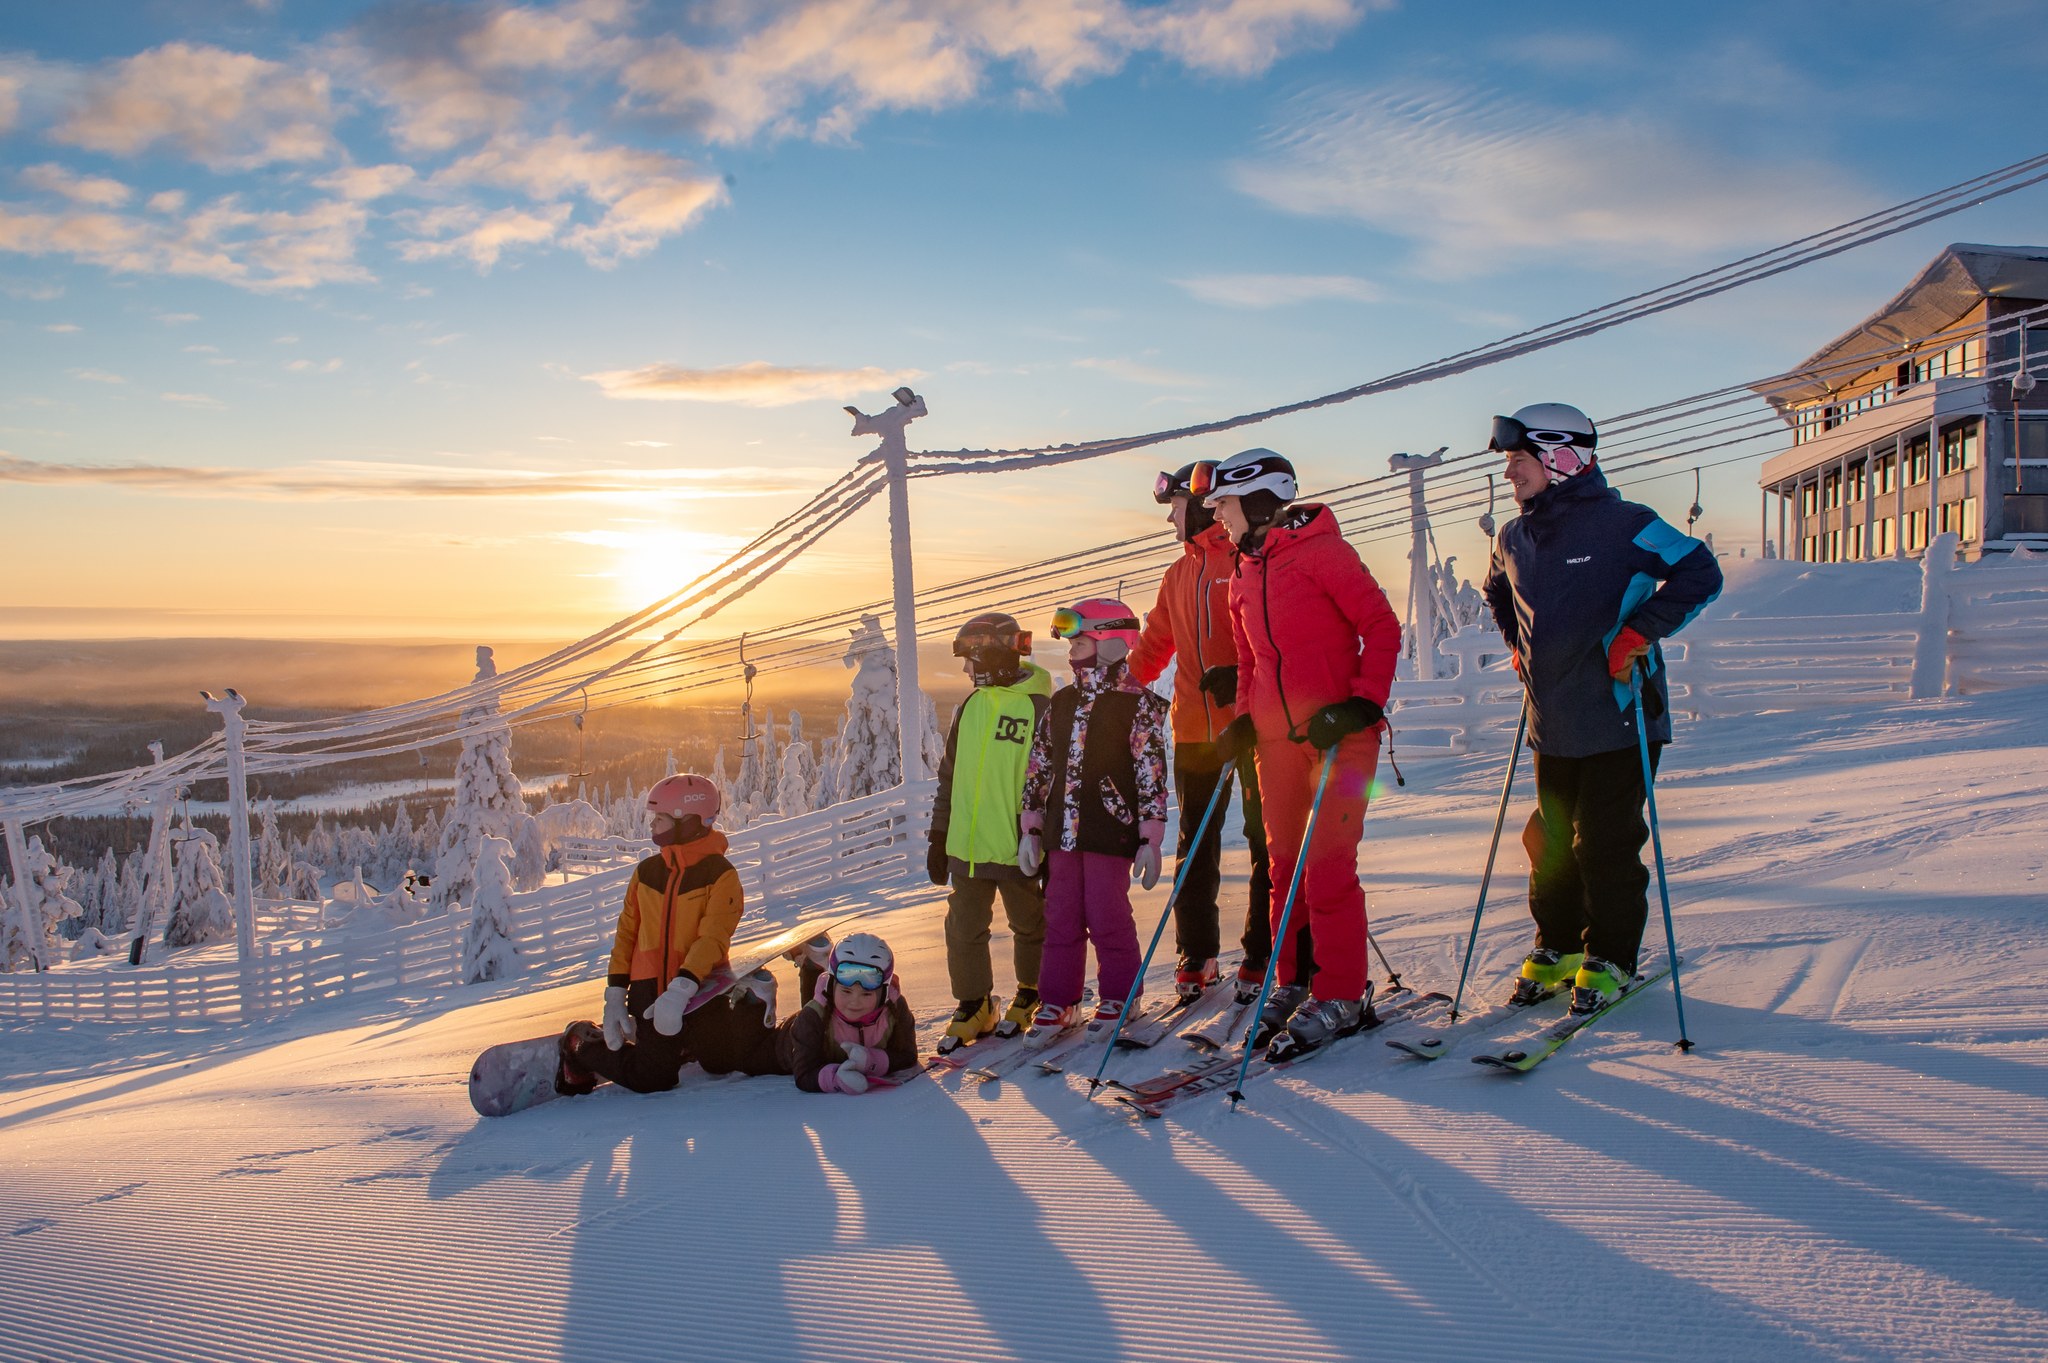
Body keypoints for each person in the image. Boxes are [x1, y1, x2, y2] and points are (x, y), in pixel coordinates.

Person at [1481, 402, 1723, 1014]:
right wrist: (1520, 649)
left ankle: (1611, 955)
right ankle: (1560, 946)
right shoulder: (1513, 536)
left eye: (1519, 459)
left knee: (1605, 842)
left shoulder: (1626, 523)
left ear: (1562, 457)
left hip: (1622, 712)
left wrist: (1637, 634)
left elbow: (1700, 572)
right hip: (1553, 719)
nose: (1509, 473)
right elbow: (1497, 591)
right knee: (1549, 839)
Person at [1203, 448, 1402, 1061]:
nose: (1218, 516)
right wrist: (1244, 717)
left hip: (1340, 735)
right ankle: (1292, 980)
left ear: (1258, 500)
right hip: (1276, 744)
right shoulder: (1244, 570)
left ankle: (1341, 993)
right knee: (1284, 868)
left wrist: (1361, 702)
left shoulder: (1323, 553)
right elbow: (1251, 659)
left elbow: (1382, 626)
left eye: (1224, 504)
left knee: (1329, 867)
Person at [1128, 461, 1274, 1004]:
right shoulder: (1178, 575)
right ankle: (1197, 954)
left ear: (1198, 507)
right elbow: (1153, 644)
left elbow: (1270, 633)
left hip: (1253, 723)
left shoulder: (1244, 558)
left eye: (1175, 509)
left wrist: (1242, 676)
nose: (1171, 520)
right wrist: (1117, 692)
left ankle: (1261, 951)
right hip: (1193, 727)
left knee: (1264, 837)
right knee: (1195, 842)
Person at [1017, 598, 1171, 1042]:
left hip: (1110, 829)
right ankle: (1059, 1001)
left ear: (1110, 644)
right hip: (1061, 834)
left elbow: (1150, 775)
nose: (1071, 651)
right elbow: (1039, 768)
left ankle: (1121, 996)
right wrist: (1031, 827)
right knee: (1060, 915)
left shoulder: (1137, 705)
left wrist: (1150, 838)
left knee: (1107, 914)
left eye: (1079, 642)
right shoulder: (1061, 703)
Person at [555, 774, 764, 1095]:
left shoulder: (720, 875)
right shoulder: (646, 873)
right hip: (649, 990)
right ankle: (580, 1043)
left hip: (701, 987)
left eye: (661, 818)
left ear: (688, 821)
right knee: (654, 1078)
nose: (652, 824)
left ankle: (689, 1037)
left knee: (722, 1061)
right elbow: (626, 934)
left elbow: (713, 937)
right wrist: (615, 993)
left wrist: (682, 988)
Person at [927, 612, 1053, 1054]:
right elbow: (949, 777)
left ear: (995, 655)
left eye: (971, 660)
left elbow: (1052, 782)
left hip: (1017, 846)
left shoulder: (1037, 708)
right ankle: (974, 1002)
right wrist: (939, 835)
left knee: (1030, 924)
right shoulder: (971, 707)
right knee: (963, 927)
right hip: (967, 846)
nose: (966, 670)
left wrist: (1046, 842)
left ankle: (1032, 992)